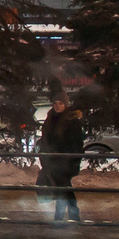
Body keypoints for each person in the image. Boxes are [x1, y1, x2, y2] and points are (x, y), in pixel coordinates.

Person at [37, 88, 87, 225]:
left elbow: (77, 143)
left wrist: (73, 160)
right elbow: (45, 140)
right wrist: (44, 157)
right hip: (52, 160)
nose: (58, 106)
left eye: (61, 103)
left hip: (66, 161)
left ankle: (62, 217)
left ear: (66, 105)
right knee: (63, 188)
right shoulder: (50, 119)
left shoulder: (72, 120)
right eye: (56, 103)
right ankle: (70, 215)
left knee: (63, 187)